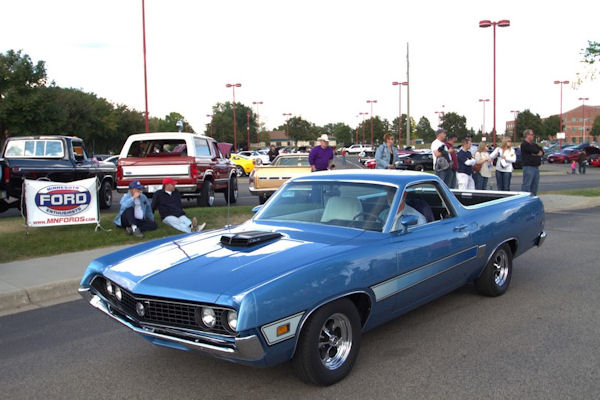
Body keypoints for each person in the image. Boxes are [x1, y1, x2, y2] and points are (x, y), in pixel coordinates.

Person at [520, 129, 544, 195]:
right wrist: (536, 153)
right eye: (532, 134)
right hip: (528, 167)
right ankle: (524, 200)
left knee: (535, 185)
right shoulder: (524, 144)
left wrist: (536, 153)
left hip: (536, 167)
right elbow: (535, 151)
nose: (533, 136)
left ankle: (532, 199)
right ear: (527, 135)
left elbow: (541, 151)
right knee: (527, 185)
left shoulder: (534, 144)